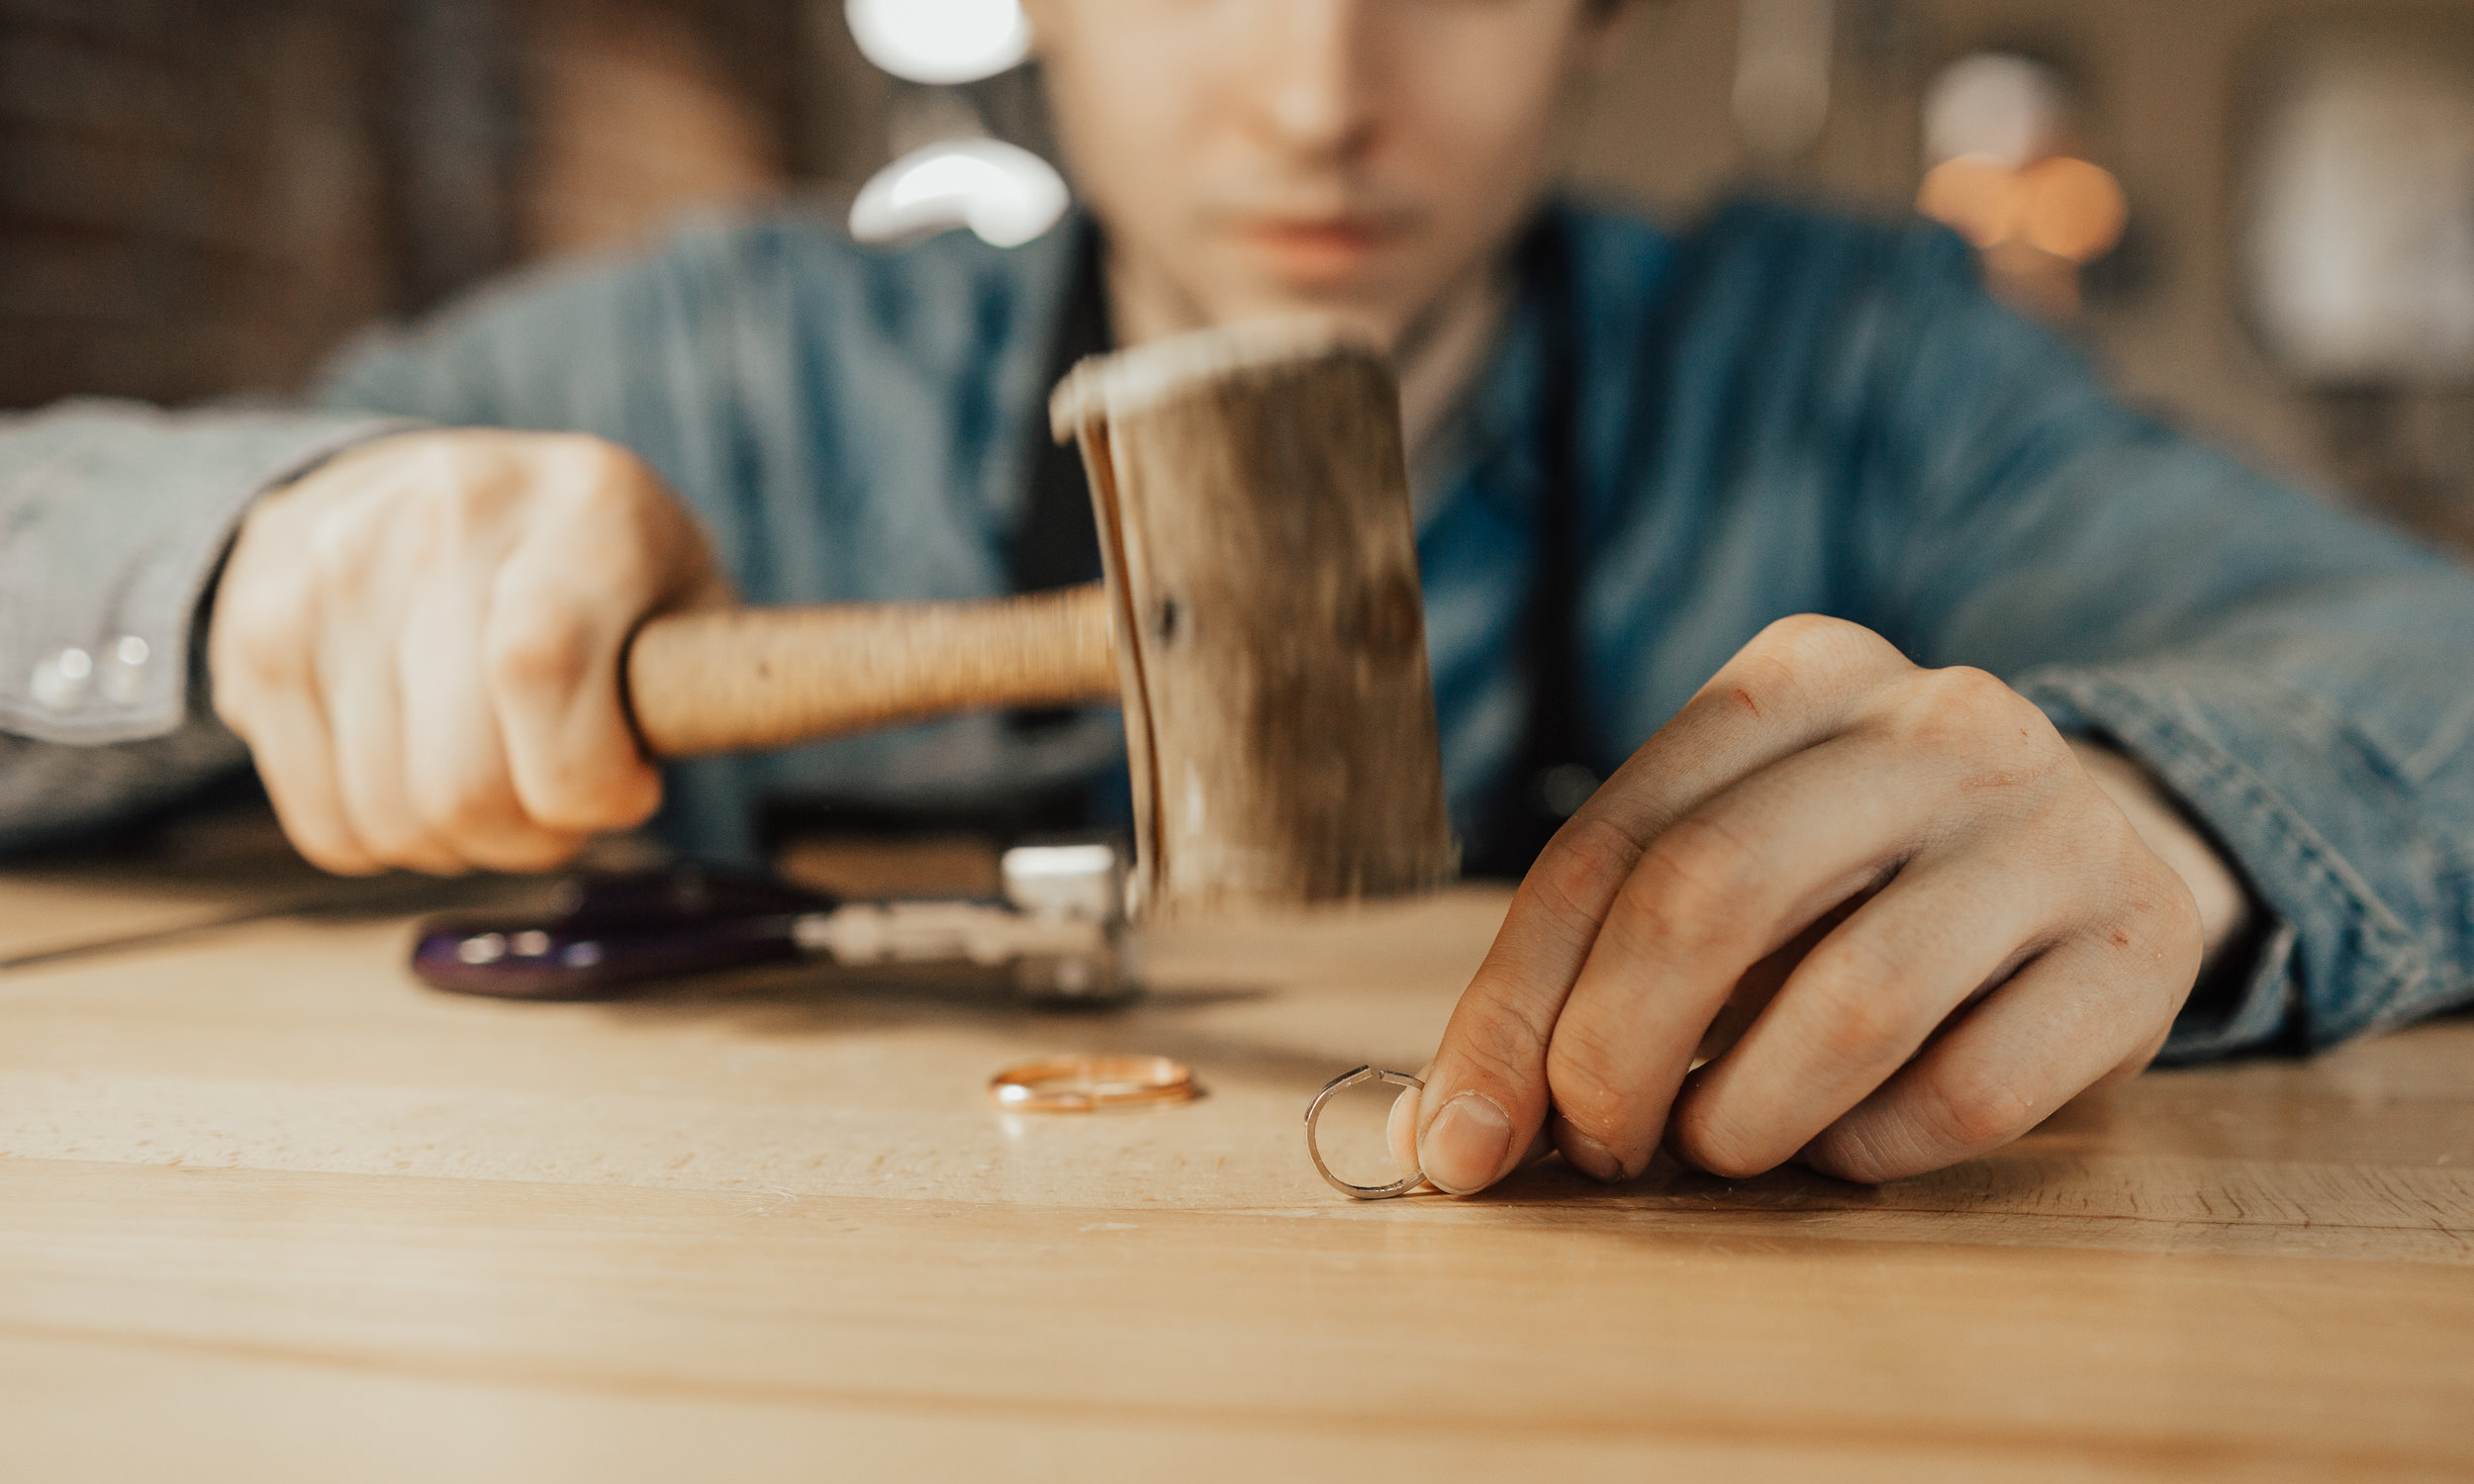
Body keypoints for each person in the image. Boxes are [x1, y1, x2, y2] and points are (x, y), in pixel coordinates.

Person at [4, 0, 2470, 1196]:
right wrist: (254, 559)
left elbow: (2407, 663)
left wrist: (2153, 826)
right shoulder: (721, 360)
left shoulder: (1846, 375)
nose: (1315, 84)